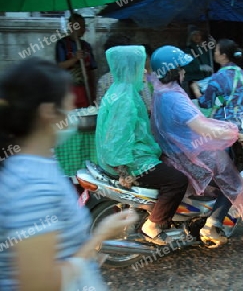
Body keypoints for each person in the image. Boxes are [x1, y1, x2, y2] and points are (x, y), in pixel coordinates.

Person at [0, 57, 138, 290]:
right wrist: (98, 238)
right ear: (47, 112)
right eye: (69, 105)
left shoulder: (39, 163)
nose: (72, 113)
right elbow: (39, 285)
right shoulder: (33, 185)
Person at [150, 45, 243, 247]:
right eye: (181, 68)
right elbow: (202, 127)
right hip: (186, 155)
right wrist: (234, 133)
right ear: (172, 70)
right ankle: (212, 226)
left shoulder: (162, 91)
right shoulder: (173, 96)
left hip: (175, 151)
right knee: (233, 182)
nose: (184, 72)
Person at [95, 45, 188, 246]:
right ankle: (153, 225)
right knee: (178, 181)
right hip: (134, 160)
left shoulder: (118, 90)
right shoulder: (125, 98)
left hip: (134, 154)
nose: (144, 71)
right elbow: (118, 139)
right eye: (140, 67)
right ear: (130, 69)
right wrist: (124, 169)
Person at [192, 39, 243, 128]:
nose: (214, 53)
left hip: (225, 124)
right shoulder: (241, 73)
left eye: (216, 51)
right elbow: (234, 96)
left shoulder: (218, 77)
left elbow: (205, 103)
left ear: (223, 56)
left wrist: (196, 90)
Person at [96, 37, 153, 113]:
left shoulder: (104, 80)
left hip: (112, 123)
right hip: (136, 122)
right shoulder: (138, 77)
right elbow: (149, 106)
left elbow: (100, 108)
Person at [56, 13, 97, 108]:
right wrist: (75, 59)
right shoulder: (62, 44)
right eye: (79, 26)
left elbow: (92, 69)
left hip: (86, 90)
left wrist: (93, 92)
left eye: (84, 26)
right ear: (71, 26)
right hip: (69, 90)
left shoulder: (86, 46)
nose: (83, 29)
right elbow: (60, 66)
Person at [183, 25, 214, 99]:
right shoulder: (187, 51)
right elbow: (185, 67)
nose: (197, 37)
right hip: (193, 81)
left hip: (205, 80)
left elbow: (211, 59)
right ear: (190, 37)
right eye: (194, 35)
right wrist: (199, 67)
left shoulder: (204, 49)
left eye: (198, 34)